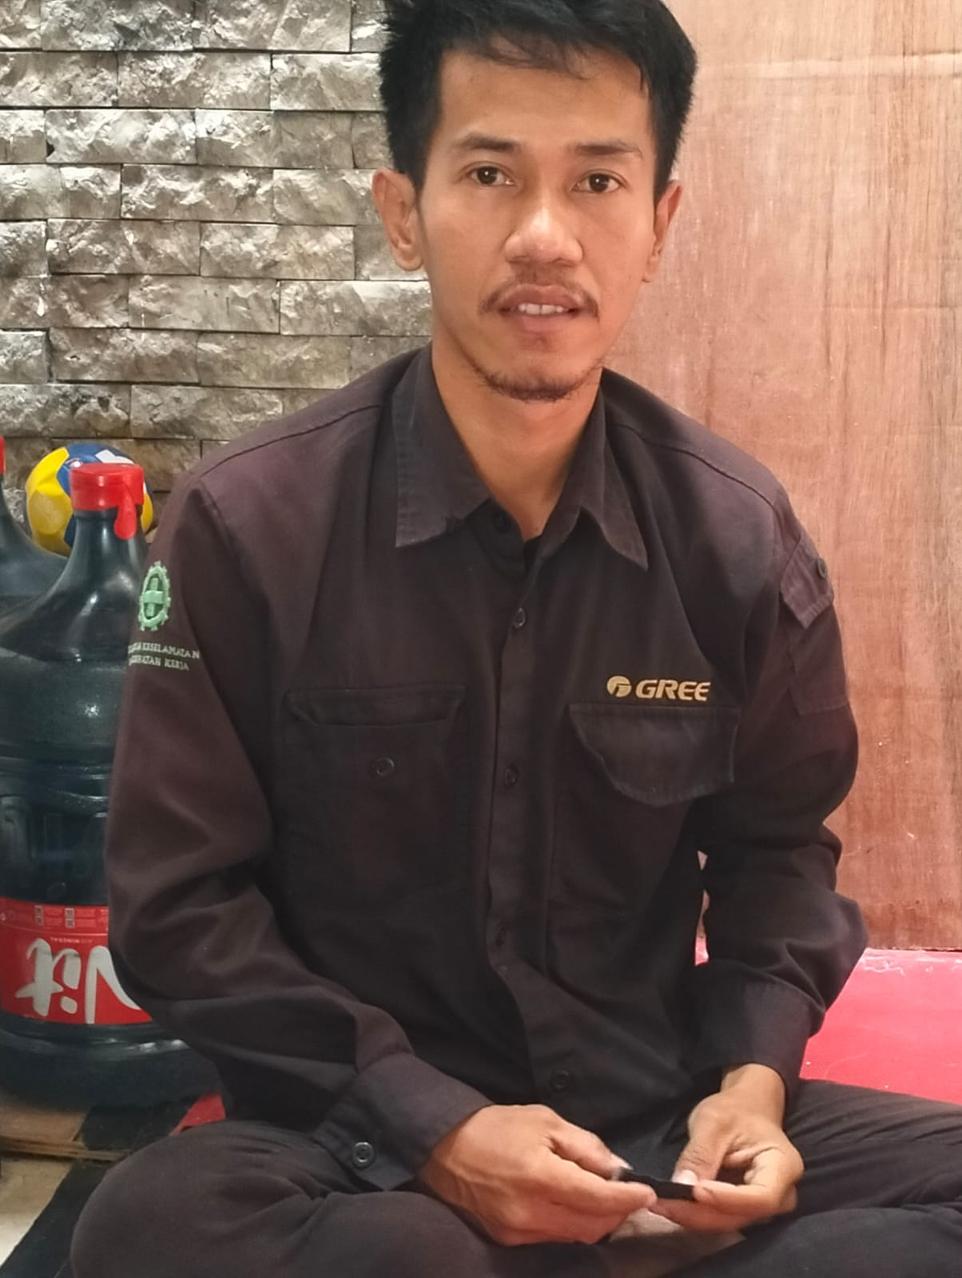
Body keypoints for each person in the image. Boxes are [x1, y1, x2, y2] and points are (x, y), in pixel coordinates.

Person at [70, 3, 962, 1276]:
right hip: (362, 1150)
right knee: (154, 1225)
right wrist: (433, 1127)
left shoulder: (733, 537)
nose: (544, 235)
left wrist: (749, 1087)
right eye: (489, 175)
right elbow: (177, 907)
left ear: (657, 222)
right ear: (402, 212)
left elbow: (776, 852)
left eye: (596, 181)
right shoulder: (247, 525)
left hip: (650, 1120)